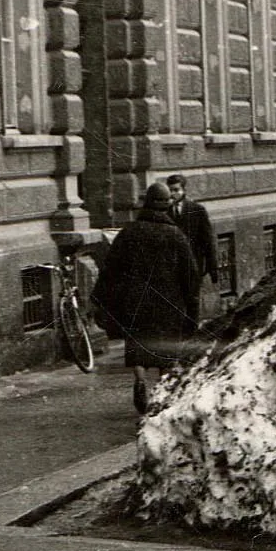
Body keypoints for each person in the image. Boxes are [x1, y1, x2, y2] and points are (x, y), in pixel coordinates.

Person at [95, 182, 200, 413]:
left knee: (138, 346)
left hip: (136, 301)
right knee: (165, 349)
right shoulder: (175, 235)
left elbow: (110, 268)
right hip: (168, 302)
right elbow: (191, 274)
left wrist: (102, 300)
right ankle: (162, 390)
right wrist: (192, 305)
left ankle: (140, 380)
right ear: (166, 206)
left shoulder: (129, 232)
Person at [164, 174, 220, 290]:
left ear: (184, 190)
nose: (173, 194)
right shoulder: (164, 211)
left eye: (176, 190)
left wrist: (212, 268)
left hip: (193, 265)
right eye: (170, 190)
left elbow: (207, 240)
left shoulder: (197, 210)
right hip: (172, 267)